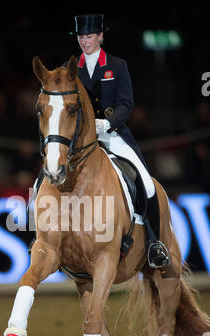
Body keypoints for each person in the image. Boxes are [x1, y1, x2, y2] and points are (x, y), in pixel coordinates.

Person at [33, 13, 170, 268]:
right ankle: (41, 236)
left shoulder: (117, 66)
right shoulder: (68, 69)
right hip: (78, 141)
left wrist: (108, 123)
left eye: (90, 36)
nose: (85, 41)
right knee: (42, 179)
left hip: (112, 135)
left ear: (100, 36)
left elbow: (126, 104)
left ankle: (153, 243)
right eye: (81, 37)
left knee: (146, 184)